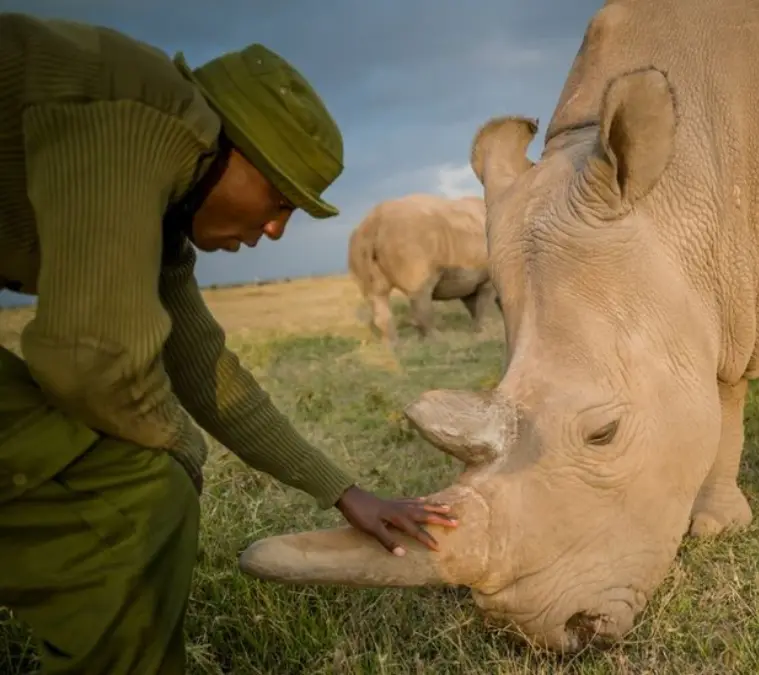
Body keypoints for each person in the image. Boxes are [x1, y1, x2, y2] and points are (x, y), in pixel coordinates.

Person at [0, 12, 458, 674]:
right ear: (228, 146)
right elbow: (91, 357)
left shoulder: (161, 211)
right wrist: (180, 447)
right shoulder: (140, 116)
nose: (274, 229)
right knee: (136, 485)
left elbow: (206, 367)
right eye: (277, 196)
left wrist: (342, 489)